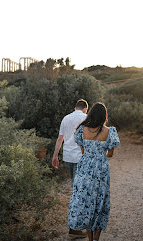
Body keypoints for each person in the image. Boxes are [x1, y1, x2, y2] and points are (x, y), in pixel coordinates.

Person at [68, 102, 120, 241]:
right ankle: (96, 238)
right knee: (100, 202)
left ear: (91, 114)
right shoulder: (110, 131)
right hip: (101, 169)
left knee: (86, 201)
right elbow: (110, 154)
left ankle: (90, 238)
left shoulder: (82, 130)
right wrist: (101, 153)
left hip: (84, 168)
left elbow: (83, 151)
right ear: (104, 116)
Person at [52, 99, 88, 239]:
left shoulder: (66, 118)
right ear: (85, 108)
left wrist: (55, 156)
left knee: (76, 189)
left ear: (75, 108)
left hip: (68, 158)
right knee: (80, 192)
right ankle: (75, 229)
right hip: (81, 158)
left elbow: (60, 139)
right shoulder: (86, 118)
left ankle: (77, 225)